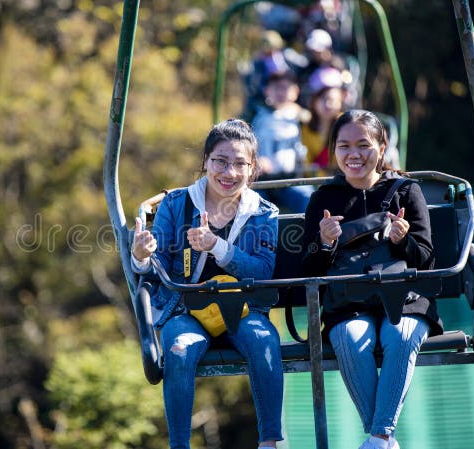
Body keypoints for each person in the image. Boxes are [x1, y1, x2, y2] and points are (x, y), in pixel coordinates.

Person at [131, 119, 284, 449]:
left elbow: (262, 272)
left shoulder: (262, 213)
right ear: (205, 162)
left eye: (240, 164)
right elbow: (155, 266)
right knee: (179, 348)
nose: (229, 173)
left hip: (241, 307)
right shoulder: (177, 204)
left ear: (252, 167)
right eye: (220, 162)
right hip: (185, 307)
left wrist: (216, 246)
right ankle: (180, 445)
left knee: (263, 341)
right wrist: (141, 255)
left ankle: (271, 441)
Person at [299, 110, 440, 449]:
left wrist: (401, 240)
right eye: (344, 146)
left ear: (382, 146)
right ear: (334, 150)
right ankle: (383, 437)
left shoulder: (405, 191)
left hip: (403, 300)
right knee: (350, 337)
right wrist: (326, 242)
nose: (354, 155)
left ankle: (378, 438)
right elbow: (307, 269)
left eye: (364, 145)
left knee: (401, 336)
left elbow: (427, 258)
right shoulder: (324, 199)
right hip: (348, 302)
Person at [251, 70, 314, 214]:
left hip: (292, 180)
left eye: (285, 87)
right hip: (262, 182)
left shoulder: (303, 119)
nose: (280, 92)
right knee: (252, 206)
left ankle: (310, 236)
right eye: (276, 87)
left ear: (295, 91)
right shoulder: (256, 117)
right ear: (267, 90)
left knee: (308, 198)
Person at [301, 67, 347, 174]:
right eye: (322, 99)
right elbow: (306, 165)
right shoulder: (307, 128)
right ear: (313, 101)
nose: (327, 105)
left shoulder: (347, 125)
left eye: (331, 99)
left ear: (341, 98)